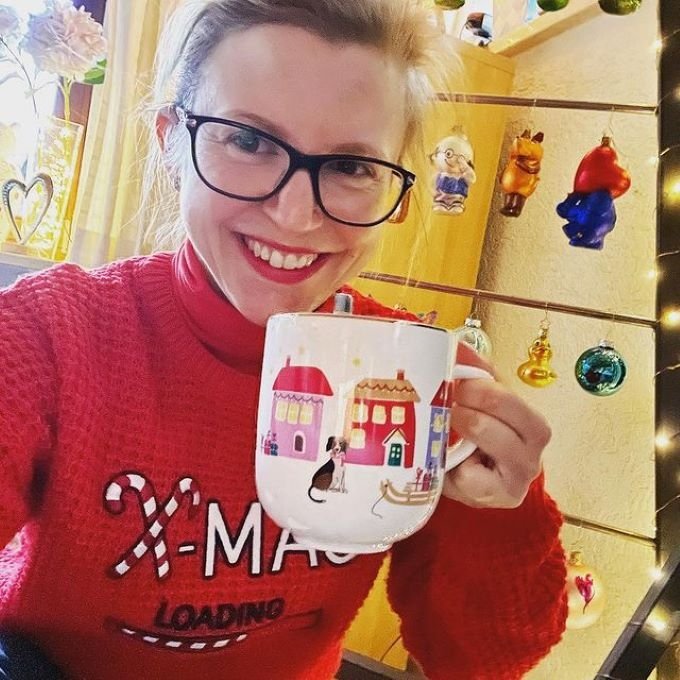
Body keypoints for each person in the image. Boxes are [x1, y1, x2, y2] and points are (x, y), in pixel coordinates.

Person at [0, 1, 567, 678]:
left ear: (397, 194)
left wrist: (498, 508)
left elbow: (483, 659)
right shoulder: (46, 336)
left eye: (351, 166)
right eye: (248, 142)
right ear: (171, 144)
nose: (295, 215)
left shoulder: (422, 381)